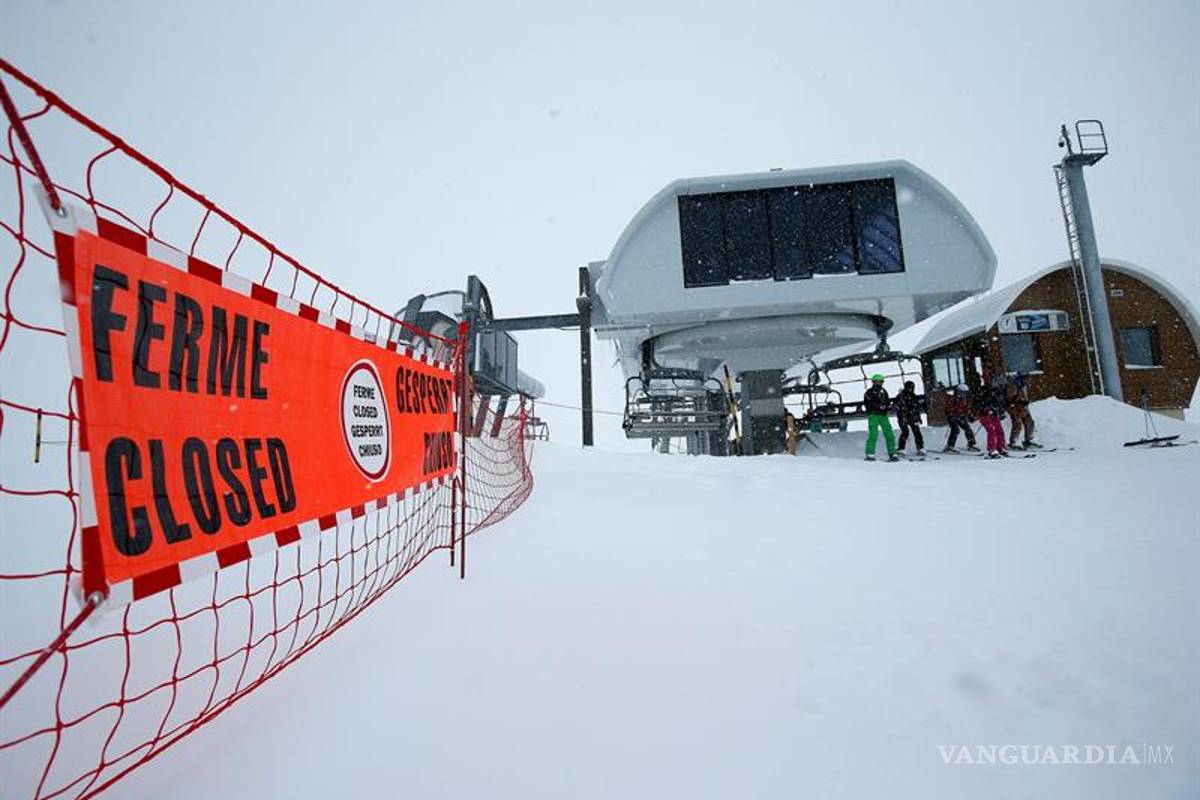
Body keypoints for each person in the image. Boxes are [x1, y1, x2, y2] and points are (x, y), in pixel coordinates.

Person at [863, 373, 899, 462]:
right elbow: (868, 404)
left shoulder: (883, 391)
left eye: (881, 381)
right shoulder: (869, 392)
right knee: (873, 434)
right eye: (879, 381)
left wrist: (888, 407)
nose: (880, 383)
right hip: (874, 415)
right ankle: (870, 453)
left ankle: (892, 453)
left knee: (889, 434)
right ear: (874, 382)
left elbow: (887, 401)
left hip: (883, 415)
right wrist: (878, 406)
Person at [976, 373, 1009, 458]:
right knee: (992, 430)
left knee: (999, 430)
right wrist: (986, 407)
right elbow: (977, 403)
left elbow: (999, 403)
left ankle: (1001, 447)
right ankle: (992, 450)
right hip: (984, 414)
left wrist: (1001, 410)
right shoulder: (984, 390)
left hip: (994, 413)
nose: (1000, 386)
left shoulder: (998, 391)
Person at [1006, 373, 1040, 449]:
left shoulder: (1024, 385)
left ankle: (1028, 440)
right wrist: (1016, 402)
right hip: (1016, 407)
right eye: (1027, 378)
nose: (1028, 380)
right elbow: (1011, 397)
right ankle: (1013, 442)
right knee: (1017, 424)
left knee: (1030, 422)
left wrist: (1025, 401)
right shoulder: (1015, 384)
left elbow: (1025, 396)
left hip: (1023, 407)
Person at [942, 383, 979, 453]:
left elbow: (967, 409)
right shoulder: (952, 399)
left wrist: (970, 416)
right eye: (962, 393)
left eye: (964, 393)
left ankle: (971, 444)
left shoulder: (964, 400)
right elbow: (948, 408)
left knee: (968, 429)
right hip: (952, 416)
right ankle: (950, 446)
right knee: (955, 429)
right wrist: (952, 414)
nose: (963, 395)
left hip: (960, 416)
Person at [893, 380, 925, 456]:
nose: (911, 389)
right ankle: (901, 448)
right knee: (905, 432)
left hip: (912, 417)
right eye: (909, 388)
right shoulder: (900, 396)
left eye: (912, 388)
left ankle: (920, 448)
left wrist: (918, 417)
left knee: (917, 432)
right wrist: (901, 415)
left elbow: (917, 408)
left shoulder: (914, 396)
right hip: (903, 417)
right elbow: (896, 407)